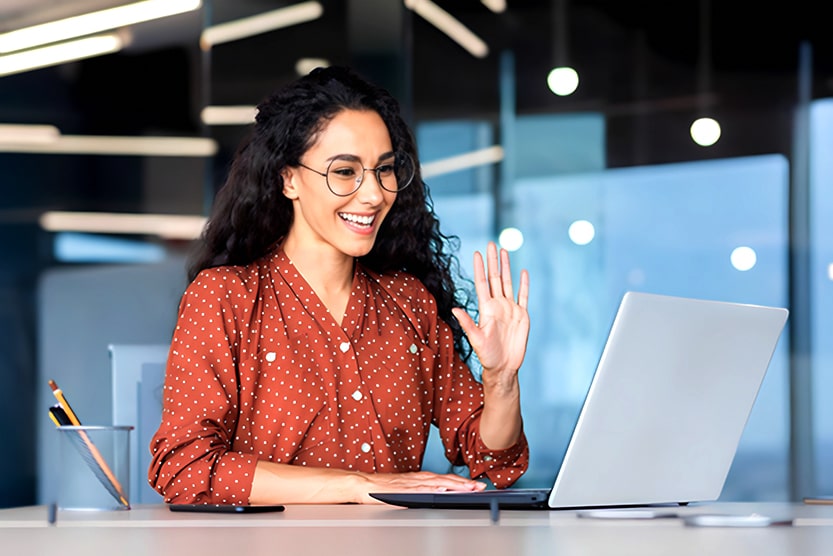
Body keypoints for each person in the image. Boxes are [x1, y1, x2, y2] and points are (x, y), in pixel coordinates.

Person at [147, 65, 531, 505]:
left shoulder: (410, 303)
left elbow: (494, 463)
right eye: (345, 172)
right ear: (288, 178)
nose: (373, 194)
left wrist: (500, 380)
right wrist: (353, 485)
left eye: (384, 170)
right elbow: (183, 467)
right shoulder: (224, 297)